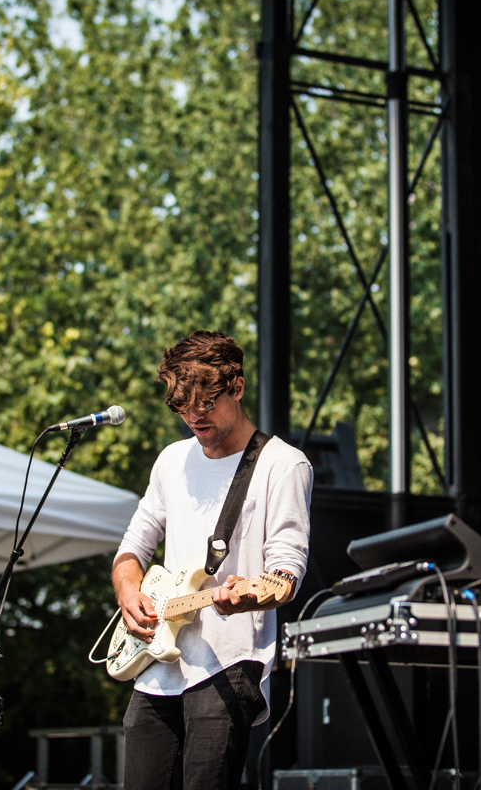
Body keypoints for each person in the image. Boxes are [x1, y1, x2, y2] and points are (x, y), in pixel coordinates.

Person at [112, 330, 312, 790]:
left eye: (205, 404)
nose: (193, 417)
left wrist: (246, 597)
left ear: (237, 387)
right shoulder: (171, 461)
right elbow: (133, 546)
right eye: (181, 407)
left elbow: (285, 571)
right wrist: (128, 591)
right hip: (155, 669)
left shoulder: (284, 465)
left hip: (227, 664)